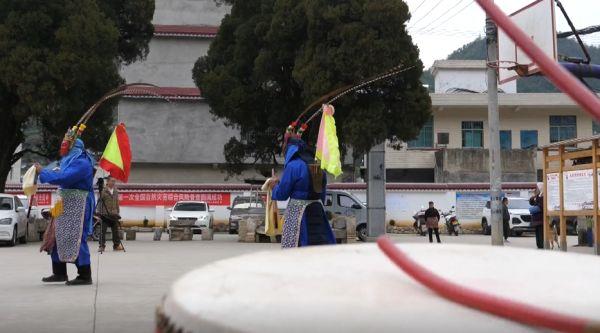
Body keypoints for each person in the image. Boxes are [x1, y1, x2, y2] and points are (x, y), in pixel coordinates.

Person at [36, 138, 95, 285]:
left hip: (78, 203)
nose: (64, 149)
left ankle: (85, 275)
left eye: (67, 146)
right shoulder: (69, 161)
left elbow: (64, 177)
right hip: (65, 202)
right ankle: (59, 272)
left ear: (74, 147)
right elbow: (59, 173)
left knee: (76, 238)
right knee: (57, 235)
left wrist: (43, 172)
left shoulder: (81, 163)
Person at [267, 138, 335, 248]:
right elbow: (322, 195)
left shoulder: (293, 166)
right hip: (318, 212)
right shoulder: (319, 166)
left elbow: (282, 194)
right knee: (318, 247)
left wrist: (274, 185)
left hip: (298, 214)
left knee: (297, 248)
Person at [96, 176, 124, 252]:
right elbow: (99, 203)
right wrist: (98, 214)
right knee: (103, 231)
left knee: (115, 231)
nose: (113, 183)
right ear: (107, 182)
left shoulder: (115, 191)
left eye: (114, 181)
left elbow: (117, 202)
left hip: (114, 214)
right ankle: (102, 246)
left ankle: (116, 245)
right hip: (105, 214)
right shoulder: (103, 191)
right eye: (112, 181)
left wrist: (118, 211)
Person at [529, 183, 544, 249]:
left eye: (537, 188)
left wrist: (535, 208)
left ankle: (541, 246)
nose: (536, 189)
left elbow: (541, 206)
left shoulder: (543, 196)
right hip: (536, 219)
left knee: (540, 233)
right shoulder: (538, 195)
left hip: (541, 219)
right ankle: (538, 245)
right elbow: (532, 203)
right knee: (537, 233)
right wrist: (533, 198)